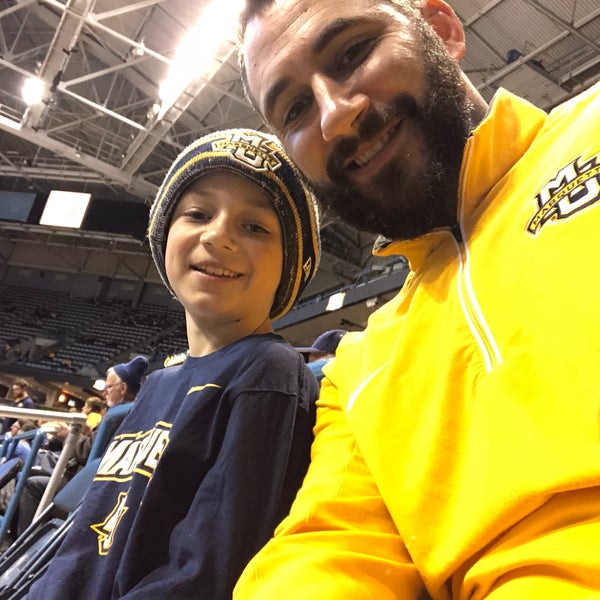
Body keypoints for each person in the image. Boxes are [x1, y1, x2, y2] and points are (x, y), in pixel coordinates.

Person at [235, 1, 600, 598]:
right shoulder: (357, 370)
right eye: (295, 108)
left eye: (352, 53)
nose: (336, 116)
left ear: (442, 28)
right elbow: (329, 552)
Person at [24, 127, 321, 600]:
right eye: (198, 213)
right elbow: (80, 549)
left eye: (256, 226)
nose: (219, 235)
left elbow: (206, 573)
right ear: (165, 236)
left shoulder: (270, 374)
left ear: (292, 264)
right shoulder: (160, 383)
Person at [16, 358, 148, 537]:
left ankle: (26, 544)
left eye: (108, 388)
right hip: (84, 477)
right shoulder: (129, 412)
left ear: (123, 388)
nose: (104, 393)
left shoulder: (117, 415)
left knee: (31, 485)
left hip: (85, 484)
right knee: (29, 474)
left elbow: (86, 452)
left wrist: (67, 436)